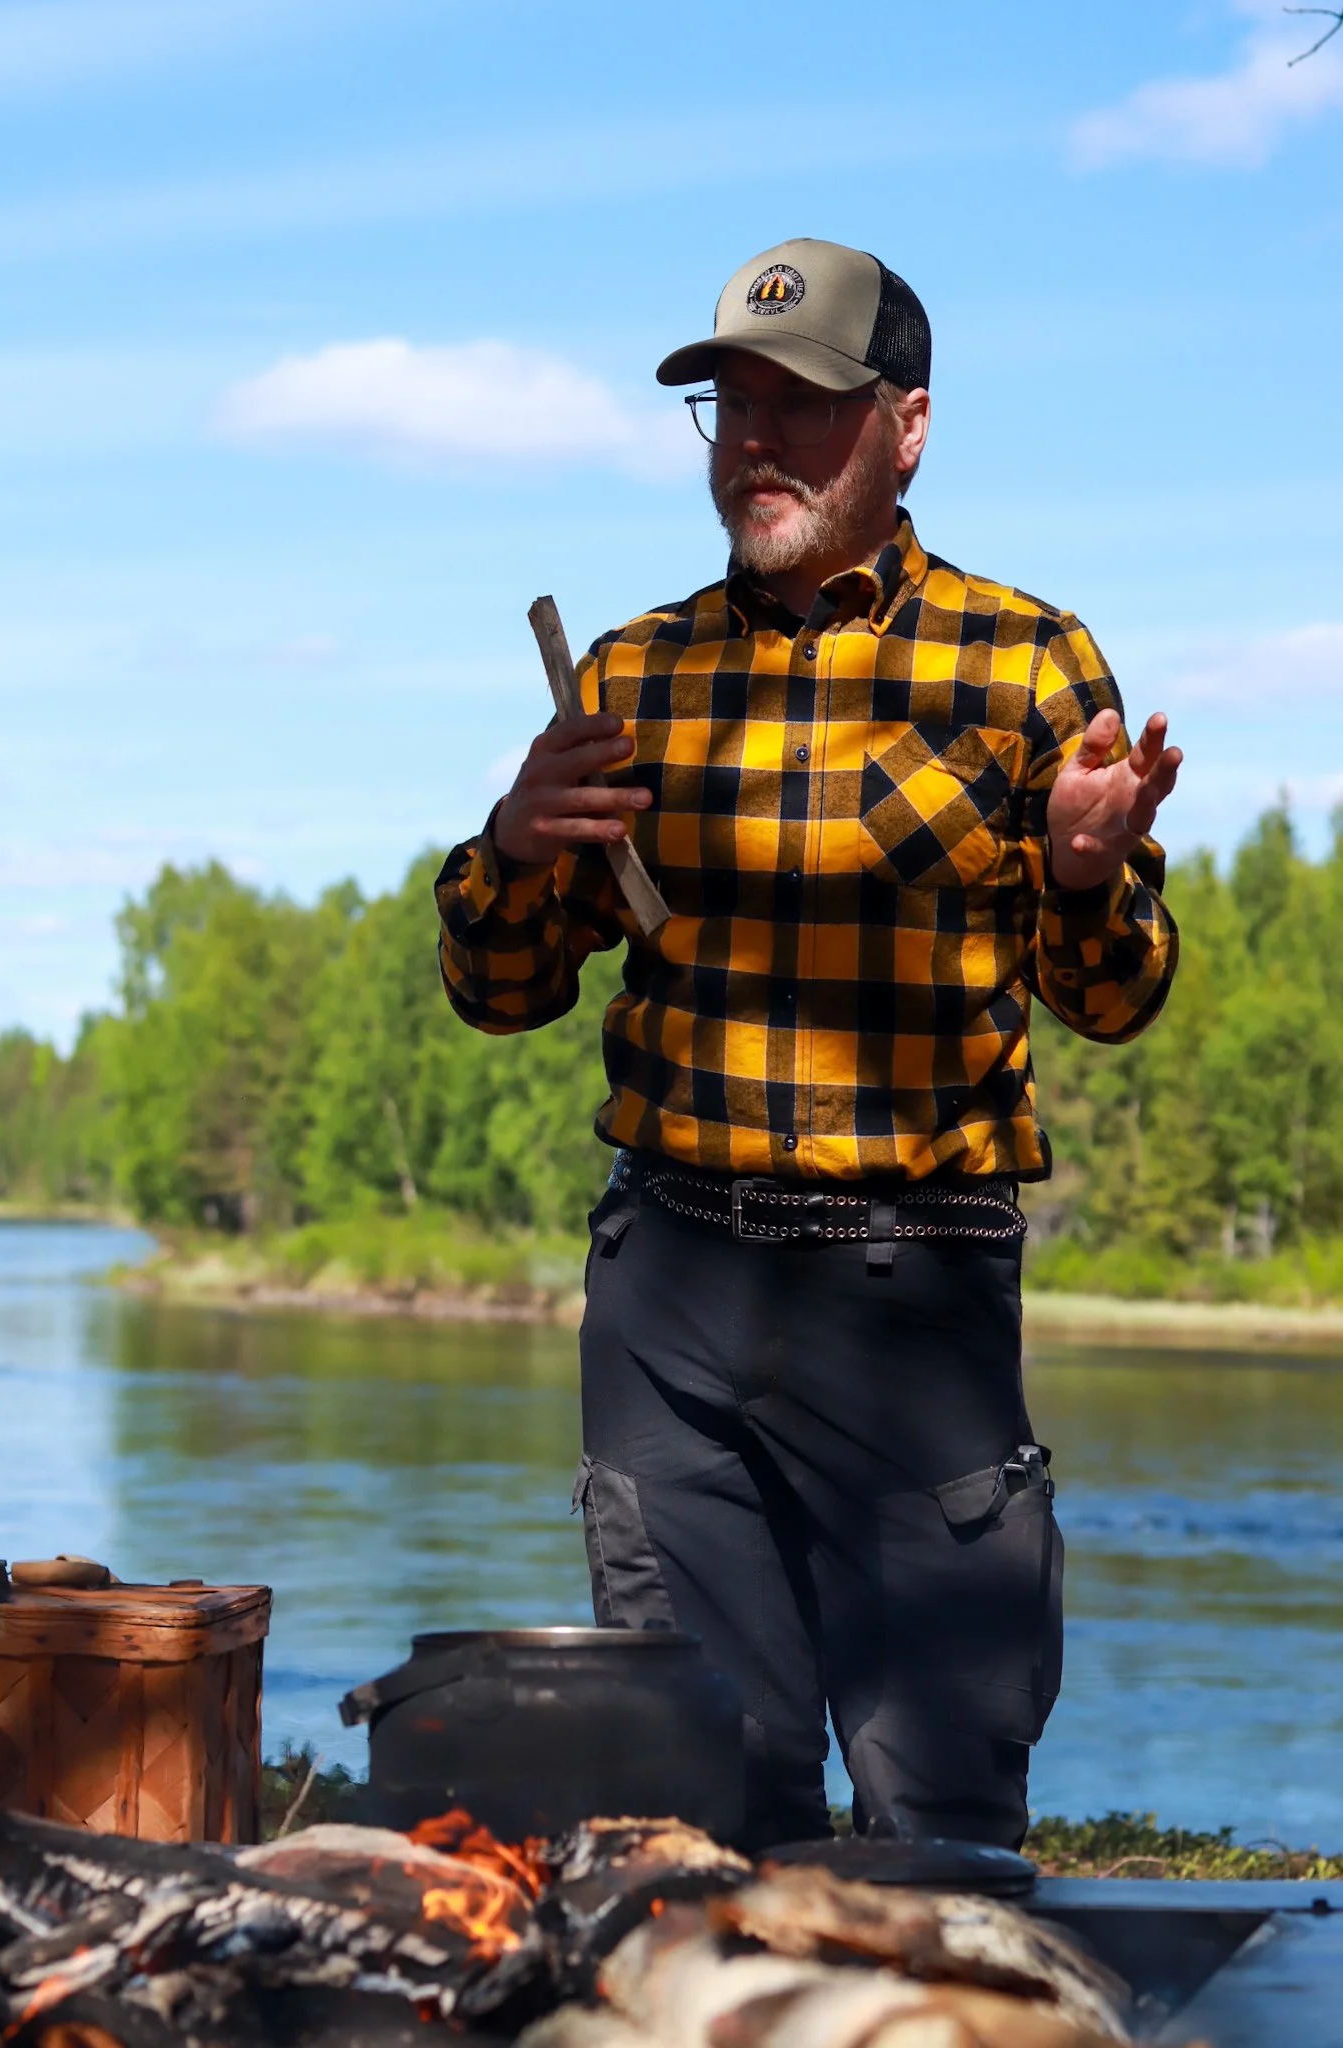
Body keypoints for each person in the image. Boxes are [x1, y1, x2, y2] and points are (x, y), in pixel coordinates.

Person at [436, 238, 1181, 1851]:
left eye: (803, 405)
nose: (753, 441)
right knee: (694, 1802)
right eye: (730, 405)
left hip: (912, 1301)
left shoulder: (1025, 663)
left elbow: (1115, 998)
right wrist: (508, 848)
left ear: (905, 425)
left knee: (943, 1816)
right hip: (670, 1294)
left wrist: (1078, 873)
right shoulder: (632, 676)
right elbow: (499, 993)